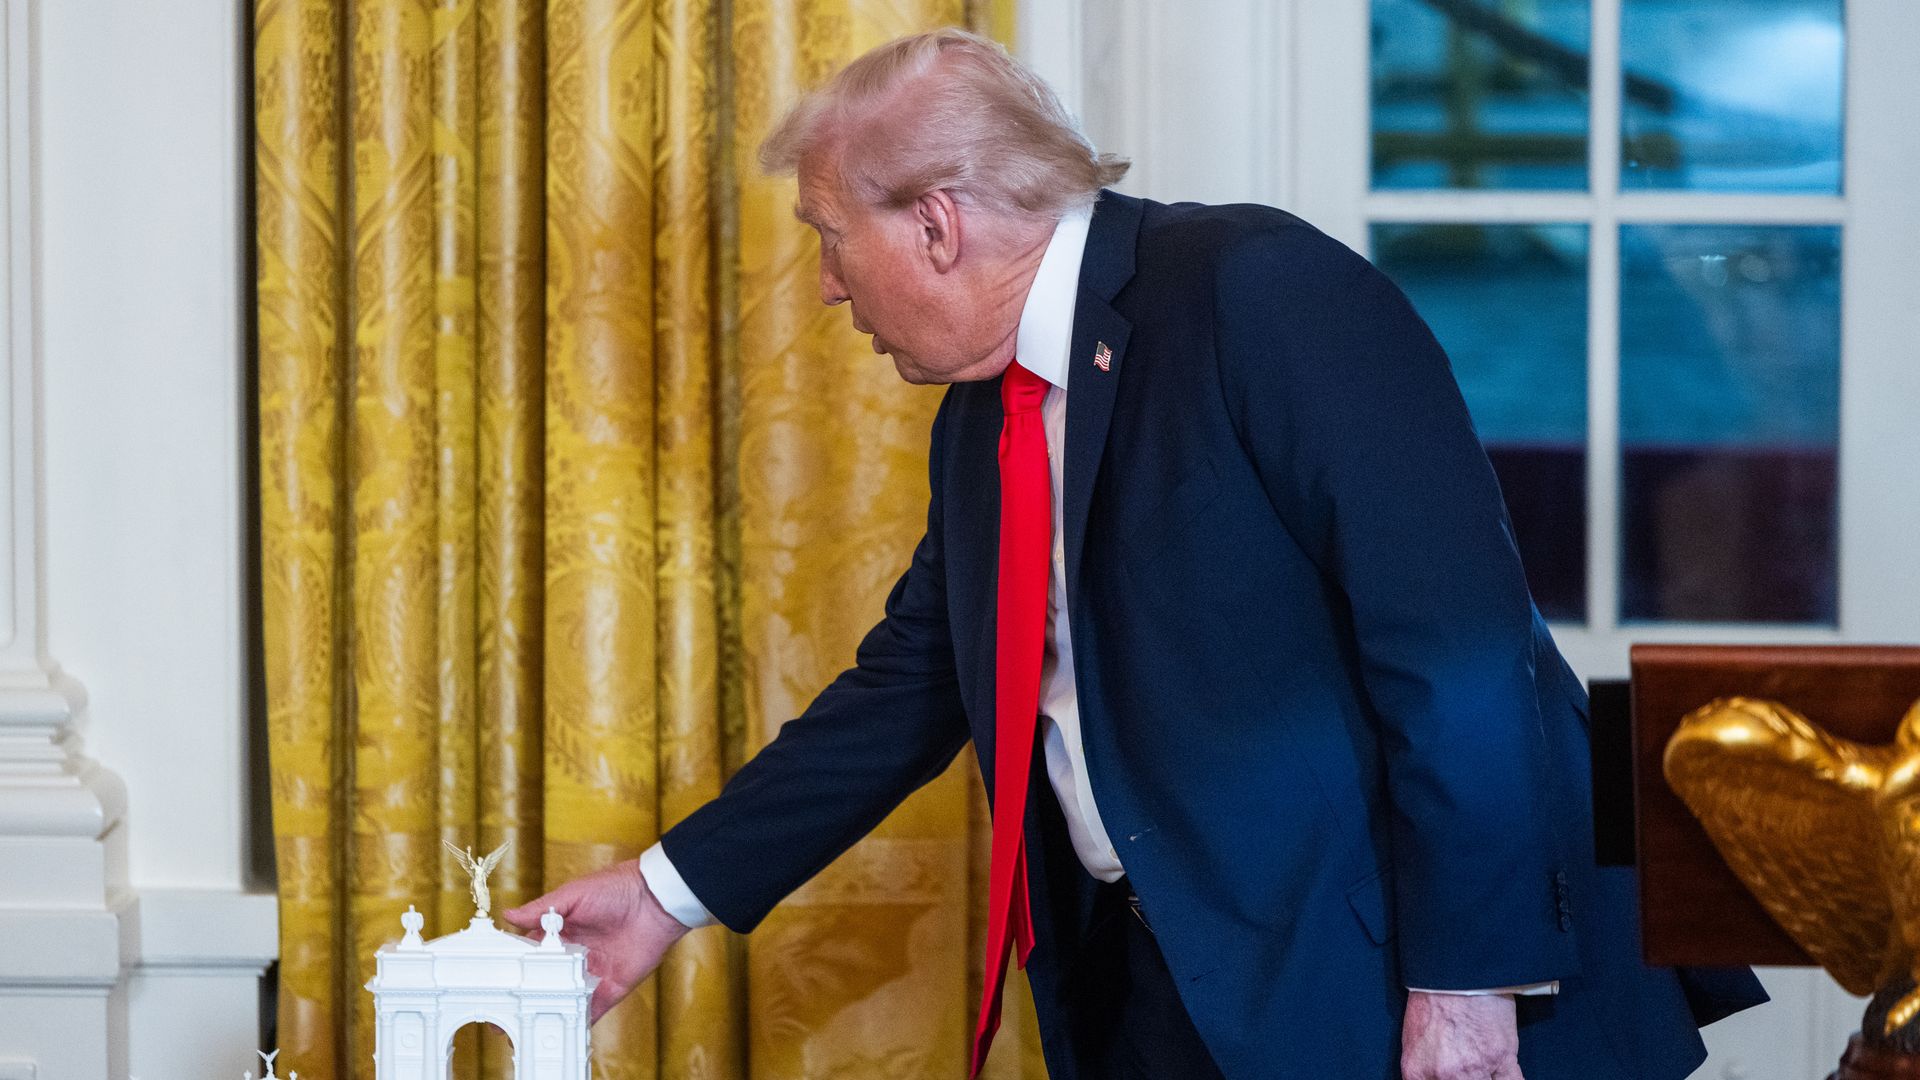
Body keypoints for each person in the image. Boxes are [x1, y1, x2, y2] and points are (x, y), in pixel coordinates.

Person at [506, 27, 1766, 1080]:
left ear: (937, 225)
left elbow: (1463, 653)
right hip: (1168, 989)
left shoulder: (1259, 291)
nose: (830, 288)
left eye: (829, 235)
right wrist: (665, 895)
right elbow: (917, 685)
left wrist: (1470, 980)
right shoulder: (980, 422)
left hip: (1397, 986)